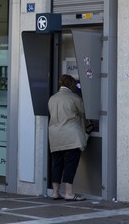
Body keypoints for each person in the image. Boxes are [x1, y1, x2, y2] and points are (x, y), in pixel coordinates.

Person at [48, 74, 88, 202]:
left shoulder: (52, 99)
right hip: (71, 136)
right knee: (70, 165)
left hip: (55, 135)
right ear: (71, 84)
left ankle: (55, 192)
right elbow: (85, 111)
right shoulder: (74, 97)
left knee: (57, 164)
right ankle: (69, 193)